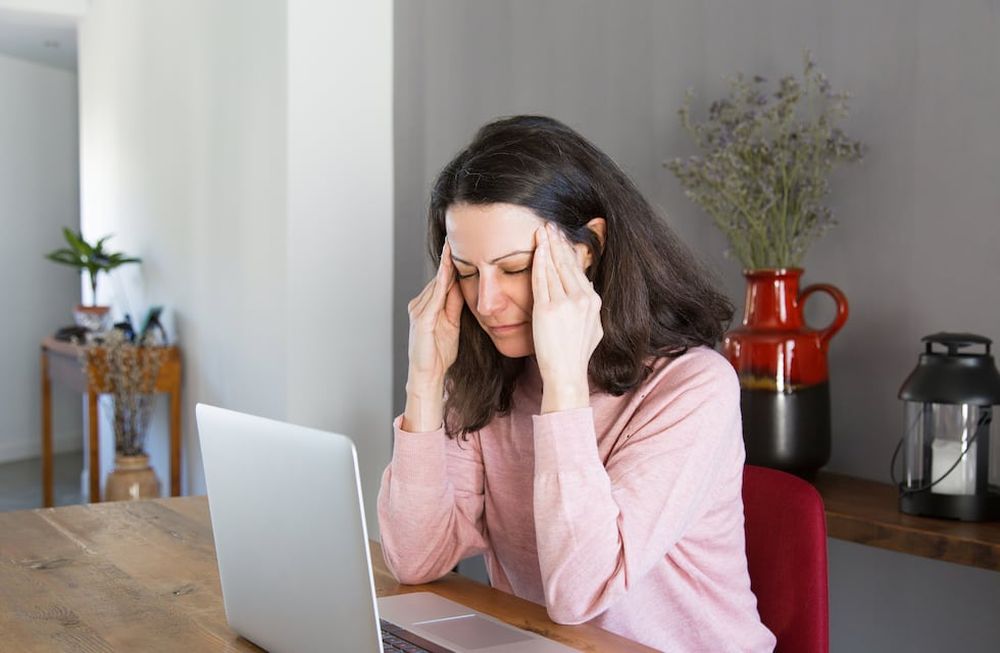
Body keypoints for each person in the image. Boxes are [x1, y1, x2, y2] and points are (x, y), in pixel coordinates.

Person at [377, 115, 776, 652]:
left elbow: (580, 594)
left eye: (514, 268)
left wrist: (563, 384)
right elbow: (415, 558)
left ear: (588, 248)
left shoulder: (694, 388)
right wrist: (424, 383)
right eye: (468, 272)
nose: (486, 302)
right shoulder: (490, 379)